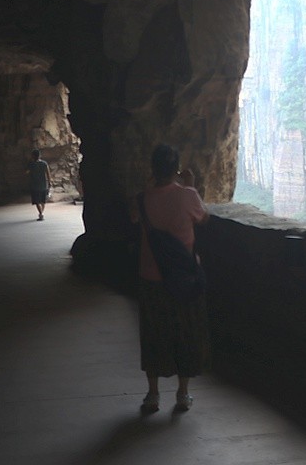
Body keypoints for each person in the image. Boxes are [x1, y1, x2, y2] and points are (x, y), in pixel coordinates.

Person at [134, 143, 209, 413]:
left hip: (151, 276)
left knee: (154, 334)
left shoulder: (143, 198)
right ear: (176, 168)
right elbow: (203, 218)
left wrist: (147, 186)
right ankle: (183, 393)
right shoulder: (187, 195)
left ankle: (153, 394)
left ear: (153, 169)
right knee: (185, 333)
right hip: (183, 278)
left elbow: (134, 219)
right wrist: (191, 186)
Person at [26, 149, 50, 221]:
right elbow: (48, 174)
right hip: (43, 184)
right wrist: (49, 182)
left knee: (37, 201)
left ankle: (41, 213)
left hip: (34, 185)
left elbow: (26, 172)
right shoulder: (44, 163)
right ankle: (41, 213)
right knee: (43, 201)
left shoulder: (31, 164)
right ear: (40, 155)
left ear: (32, 156)